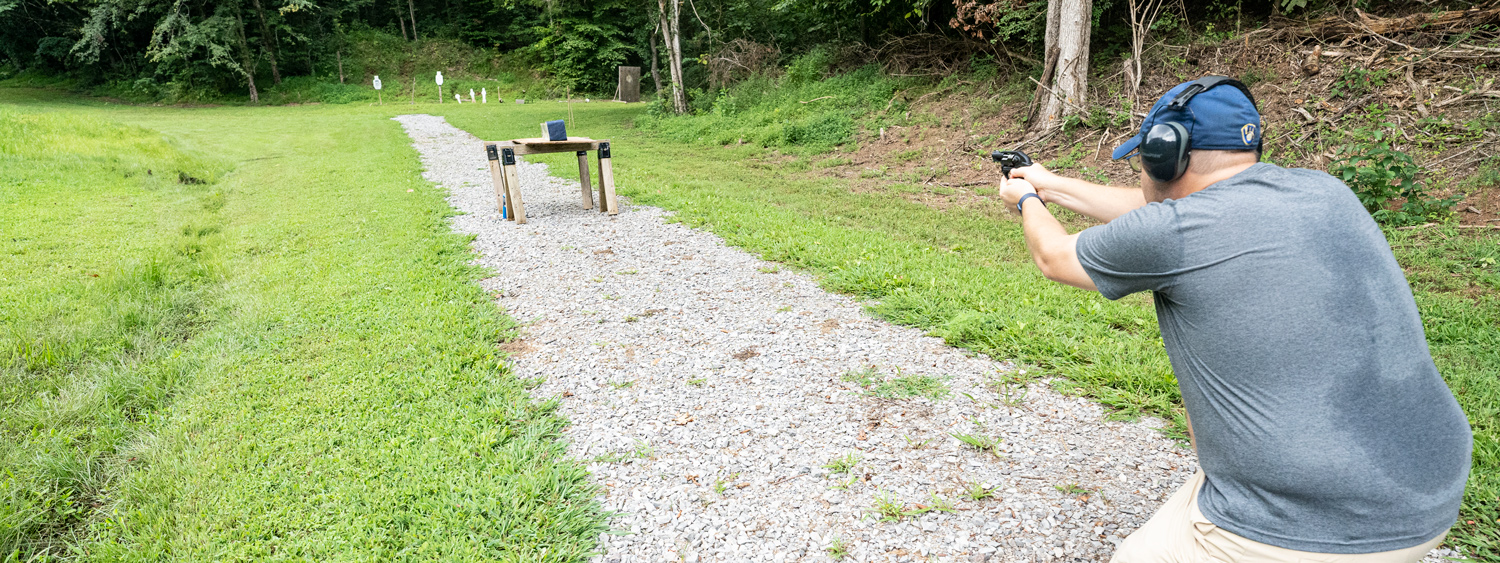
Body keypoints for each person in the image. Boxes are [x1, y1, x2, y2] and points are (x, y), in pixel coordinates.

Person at [996, 76, 1472, 562]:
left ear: (1165, 156)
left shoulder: (1175, 232)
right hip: (1430, 488)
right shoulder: (1323, 192)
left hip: (1315, 527)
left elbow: (1055, 255)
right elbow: (1164, 211)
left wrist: (1026, 201)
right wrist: (1050, 184)